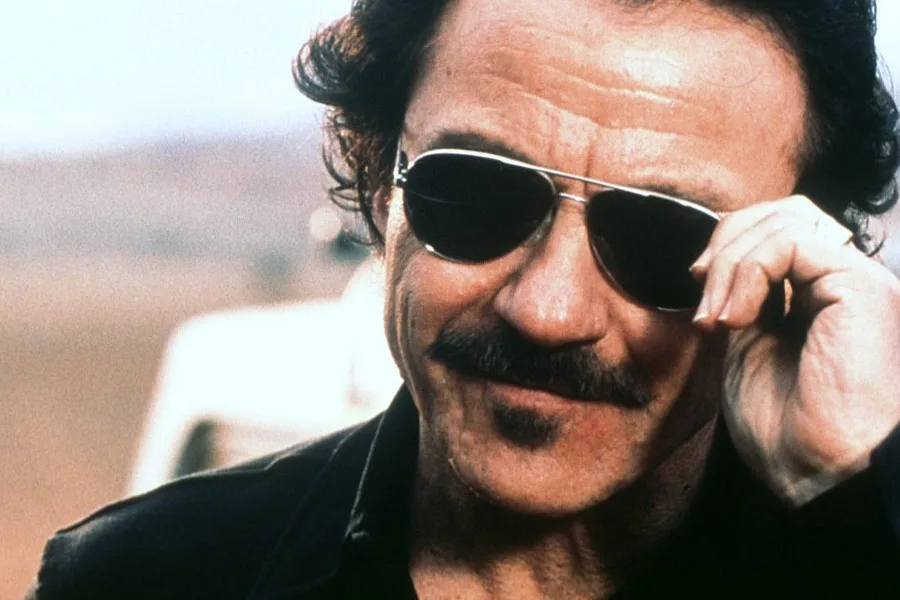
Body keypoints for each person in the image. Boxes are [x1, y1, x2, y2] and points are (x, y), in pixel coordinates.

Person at [27, 0, 900, 598]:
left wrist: (858, 495)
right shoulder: (136, 581)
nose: (548, 311)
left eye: (666, 240)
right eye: (476, 196)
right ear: (381, 187)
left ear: (793, 272)